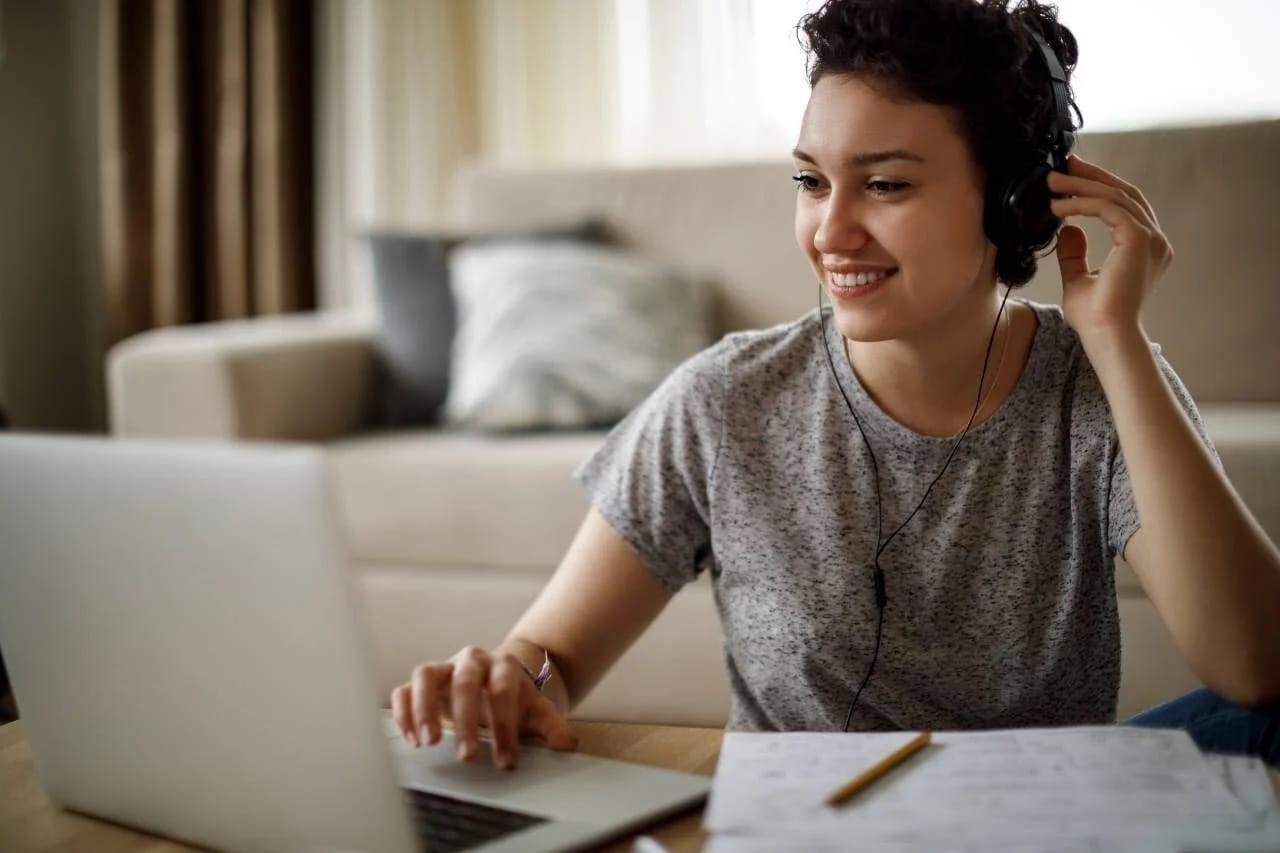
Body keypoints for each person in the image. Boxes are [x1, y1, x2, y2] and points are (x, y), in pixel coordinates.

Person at [390, 0, 1280, 772]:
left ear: (1016, 204)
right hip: (801, 828)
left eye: (885, 184)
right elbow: (552, 655)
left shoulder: (1102, 389)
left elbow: (1255, 669)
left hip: (1033, 821)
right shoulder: (725, 400)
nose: (831, 230)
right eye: (812, 182)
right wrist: (508, 679)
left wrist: (1117, 340)